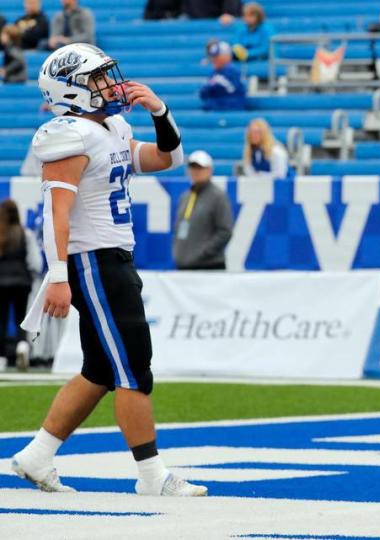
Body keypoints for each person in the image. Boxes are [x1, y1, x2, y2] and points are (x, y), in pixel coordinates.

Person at [11, 42, 206, 496]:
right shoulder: (69, 135)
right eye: (96, 78)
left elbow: (167, 159)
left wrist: (160, 111)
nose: (109, 84)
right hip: (92, 261)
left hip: (113, 258)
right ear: (71, 91)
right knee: (135, 366)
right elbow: (54, 214)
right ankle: (151, 477)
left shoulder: (111, 127)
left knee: (101, 368)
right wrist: (57, 276)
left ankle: (36, 456)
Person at [173, 151, 234, 270]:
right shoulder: (186, 196)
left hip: (209, 267)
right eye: (193, 167)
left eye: (200, 167)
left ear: (209, 170)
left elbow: (225, 231)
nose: (196, 171)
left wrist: (202, 254)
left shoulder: (218, 197)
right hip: (185, 266)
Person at [0, 199, 40, 368]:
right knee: (21, 319)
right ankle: (22, 347)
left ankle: (1, 357)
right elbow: (35, 263)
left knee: (1, 321)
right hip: (22, 283)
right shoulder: (26, 233)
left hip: (1, 283)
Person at [200, 40, 247, 111]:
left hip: (231, 112)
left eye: (217, 56)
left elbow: (234, 93)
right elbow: (203, 93)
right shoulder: (214, 72)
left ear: (226, 56)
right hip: (216, 110)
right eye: (213, 57)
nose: (213, 59)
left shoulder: (233, 71)